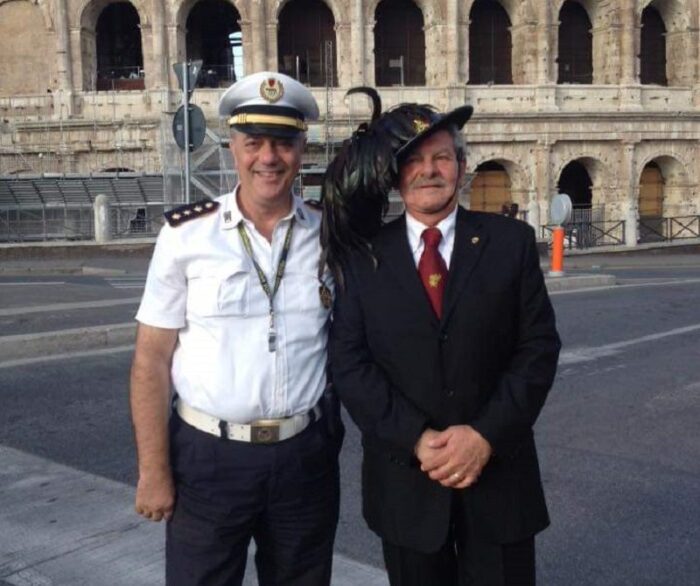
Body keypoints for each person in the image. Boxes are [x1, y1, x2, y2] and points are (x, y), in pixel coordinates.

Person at [326, 100, 561, 585]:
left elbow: (537, 350)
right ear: (395, 177)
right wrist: (415, 438)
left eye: (441, 158)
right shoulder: (363, 259)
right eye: (413, 160)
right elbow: (350, 364)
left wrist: (484, 436)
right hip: (407, 482)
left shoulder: (510, 243)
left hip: (499, 479)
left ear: (461, 166)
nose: (428, 171)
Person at [130, 70, 342, 586]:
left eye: (284, 143)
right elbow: (150, 361)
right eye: (254, 143)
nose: (268, 158)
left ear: (302, 148)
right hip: (208, 461)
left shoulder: (330, 233)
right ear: (233, 147)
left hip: (304, 457)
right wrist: (154, 471)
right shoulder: (186, 235)